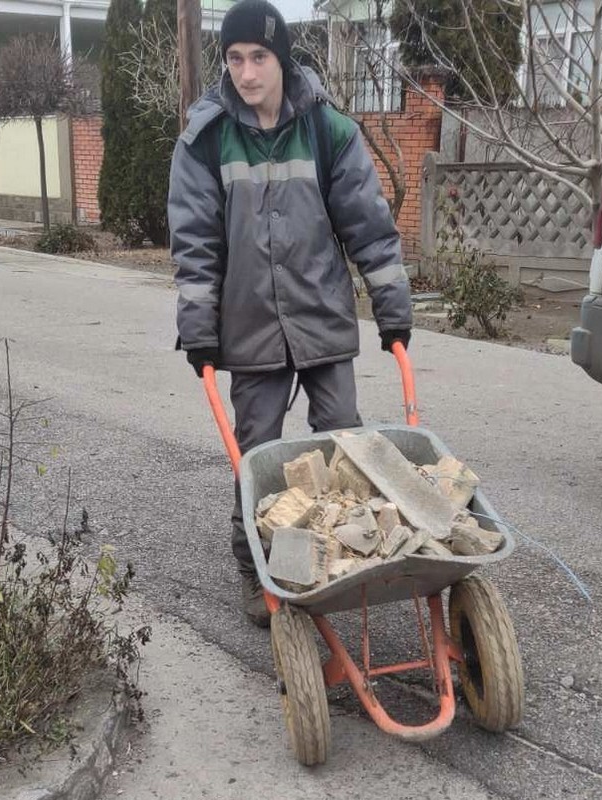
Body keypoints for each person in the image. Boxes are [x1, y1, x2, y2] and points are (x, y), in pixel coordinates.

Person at [168, 0, 412, 627]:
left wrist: (392, 309)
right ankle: (255, 565)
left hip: (322, 320)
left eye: (258, 57)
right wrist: (198, 328)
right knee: (260, 458)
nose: (246, 73)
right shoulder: (207, 137)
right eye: (234, 58)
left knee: (343, 447)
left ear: (282, 58)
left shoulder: (328, 130)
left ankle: (336, 554)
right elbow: (195, 242)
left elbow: (370, 229)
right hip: (249, 331)